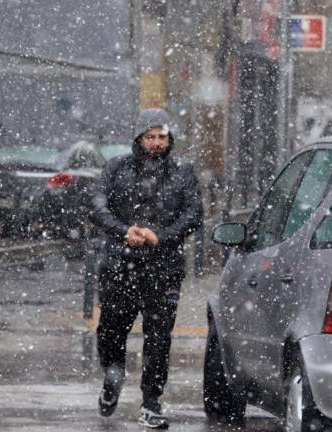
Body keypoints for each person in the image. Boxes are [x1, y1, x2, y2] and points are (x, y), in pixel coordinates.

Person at [91, 108, 203, 429]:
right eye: (150, 136)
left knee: (158, 339)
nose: (156, 143)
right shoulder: (117, 168)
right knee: (111, 331)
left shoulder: (182, 172)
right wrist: (123, 230)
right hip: (119, 267)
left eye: (162, 137)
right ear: (139, 138)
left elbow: (193, 214)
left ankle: (151, 403)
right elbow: (96, 205)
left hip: (163, 270)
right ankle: (112, 376)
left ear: (170, 138)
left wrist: (160, 237)